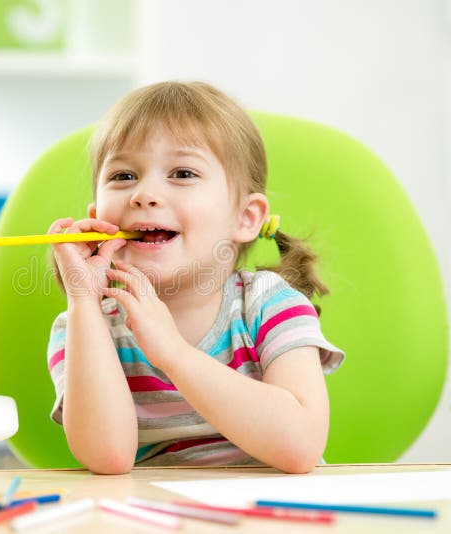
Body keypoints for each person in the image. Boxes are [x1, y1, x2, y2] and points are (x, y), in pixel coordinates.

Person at [46, 81, 344, 475]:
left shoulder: (272, 306)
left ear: (246, 217)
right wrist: (83, 300)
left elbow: (302, 445)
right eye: (123, 176)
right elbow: (108, 458)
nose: (144, 194)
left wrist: (173, 353)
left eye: (182, 173)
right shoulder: (84, 326)